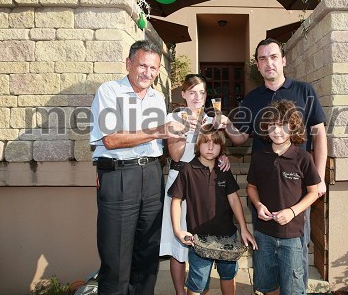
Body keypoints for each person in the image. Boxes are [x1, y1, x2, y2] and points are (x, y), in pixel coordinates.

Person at [223, 38, 328, 288]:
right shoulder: (252, 98)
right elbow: (239, 139)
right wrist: (225, 124)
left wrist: (320, 177)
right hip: (264, 189)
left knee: (297, 250)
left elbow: (319, 134)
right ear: (257, 66)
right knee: (266, 253)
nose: (268, 63)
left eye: (273, 57)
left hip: (298, 189)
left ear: (283, 60)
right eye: (262, 59)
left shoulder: (304, 91)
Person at [90, 40, 185, 295]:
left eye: (153, 68)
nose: (148, 73)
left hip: (153, 175)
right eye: (143, 65)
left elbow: (166, 141)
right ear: (129, 64)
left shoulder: (157, 97)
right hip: (119, 176)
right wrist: (159, 131)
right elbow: (111, 139)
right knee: (117, 259)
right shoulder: (110, 92)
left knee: (147, 256)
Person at [159, 74, 230, 295]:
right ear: (184, 94)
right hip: (179, 182)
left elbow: (215, 149)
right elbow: (177, 155)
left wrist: (222, 158)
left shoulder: (212, 120)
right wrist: (188, 131)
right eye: (192, 92)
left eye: (201, 92)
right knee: (178, 244)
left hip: (203, 186)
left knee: (202, 240)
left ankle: (200, 289)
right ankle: (181, 293)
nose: (197, 97)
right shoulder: (176, 117)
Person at [168, 124, 257, 295]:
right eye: (206, 142)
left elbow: (234, 199)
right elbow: (176, 200)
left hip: (227, 236)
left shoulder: (223, 169)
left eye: (215, 143)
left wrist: (244, 228)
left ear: (221, 148)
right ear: (197, 144)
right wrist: (178, 230)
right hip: (199, 239)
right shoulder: (187, 170)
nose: (210, 147)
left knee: (228, 276)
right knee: (197, 283)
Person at [247, 99, 320, 294]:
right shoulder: (259, 157)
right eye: (272, 125)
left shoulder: (303, 158)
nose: (277, 131)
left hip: (292, 237)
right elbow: (251, 187)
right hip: (264, 234)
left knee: (293, 288)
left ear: (293, 126)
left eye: (282, 125)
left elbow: (313, 193)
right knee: (267, 285)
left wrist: (292, 211)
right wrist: (258, 204)